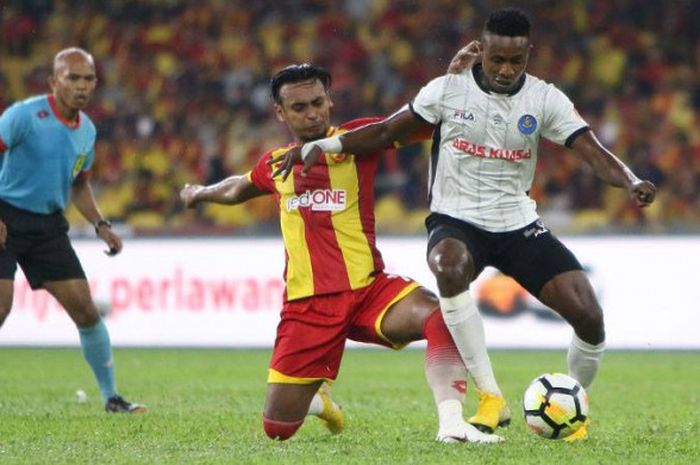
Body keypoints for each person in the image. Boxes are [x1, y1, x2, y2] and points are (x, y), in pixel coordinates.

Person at [271, 8, 657, 441]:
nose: (506, 70)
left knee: (588, 314)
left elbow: (591, 150)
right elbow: (384, 132)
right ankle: (491, 397)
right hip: (456, 219)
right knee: (448, 266)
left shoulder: (545, 99)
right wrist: (324, 145)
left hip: (517, 223)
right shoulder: (447, 91)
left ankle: (574, 404)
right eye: (497, 60)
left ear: (528, 54)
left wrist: (630, 180)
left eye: (517, 61)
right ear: (482, 51)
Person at [180, 62, 503, 443]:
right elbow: (238, 188)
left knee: (442, 316)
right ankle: (320, 400)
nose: (312, 112)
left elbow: (420, 123)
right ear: (281, 113)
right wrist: (200, 192)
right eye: (299, 108)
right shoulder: (276, 163)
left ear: (330, 100)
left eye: (318, 102)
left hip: (369, 290)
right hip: (308, 308)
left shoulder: (358, 139)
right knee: (277, 429)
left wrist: (452, 84)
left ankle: (452, 424)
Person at [0, 47, 145, 413]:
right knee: (0, 307)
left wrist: (100, 223)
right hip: (4, 216)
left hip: (46, 227)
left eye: (88, 79)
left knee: (85, 311)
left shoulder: (87, 132)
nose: (82, 86)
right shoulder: (24, 115)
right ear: (54, 81)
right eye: (73, 78)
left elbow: (79, 184)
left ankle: (112, 398)